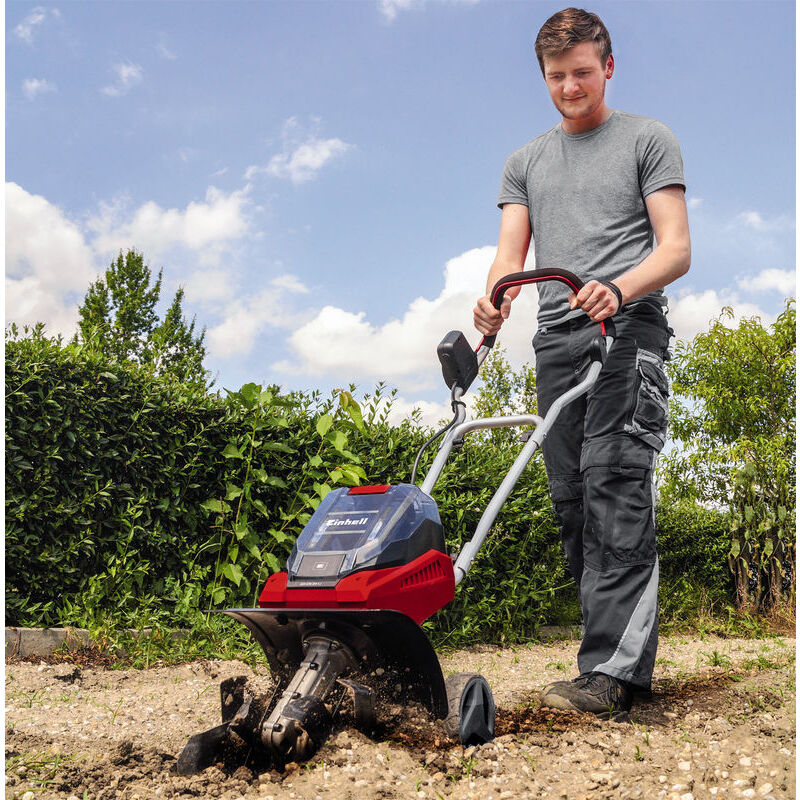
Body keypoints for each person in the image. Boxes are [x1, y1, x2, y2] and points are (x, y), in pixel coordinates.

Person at [473, 7, 690, 716]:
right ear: (543, 76)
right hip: (556, 341)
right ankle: (608, 661)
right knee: (572, 499)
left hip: (628, 329)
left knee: (614, 481)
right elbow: (511, 257)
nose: (571, 87)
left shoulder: (647, 140)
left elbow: (675, 248)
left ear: (609, 67)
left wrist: (619, 287)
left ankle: (614, 673)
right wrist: (493, 300)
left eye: (583, 73)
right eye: (557, 76)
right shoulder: (525, 162)